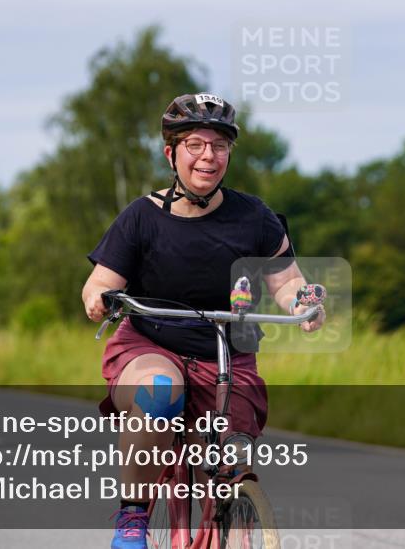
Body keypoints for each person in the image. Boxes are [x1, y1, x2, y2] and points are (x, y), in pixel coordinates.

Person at [81, 93, 325, 549]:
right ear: (171, 153)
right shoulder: (142, 218)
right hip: (151, 344)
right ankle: (132, 520)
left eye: (219, 145)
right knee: (160, 391)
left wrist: (303, 306)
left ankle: (227, 519)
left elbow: (288, 282)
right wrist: (99, 298)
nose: (208, 156)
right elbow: (100, 281)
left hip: (227, 355)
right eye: (194, 144)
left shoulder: (255, 217)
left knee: (229, 454)